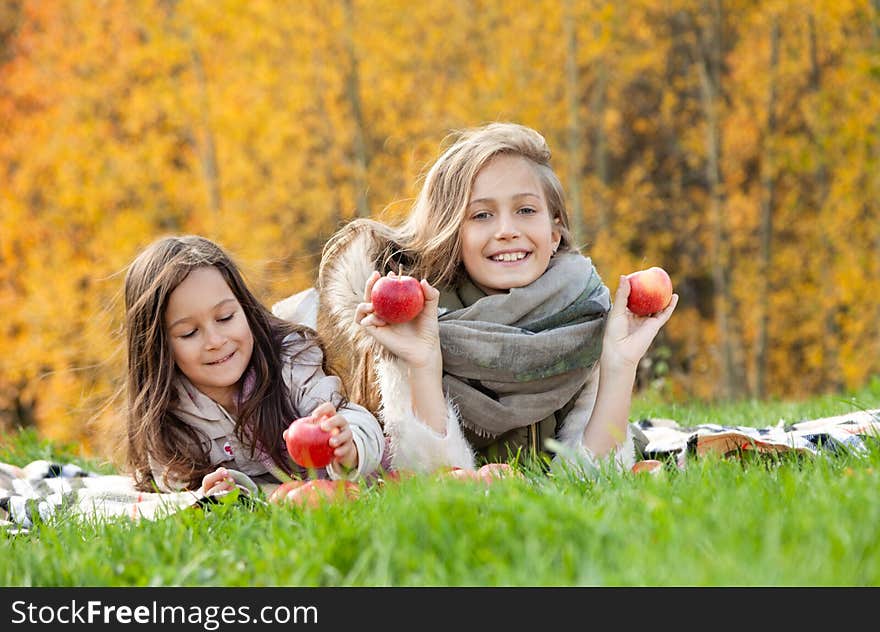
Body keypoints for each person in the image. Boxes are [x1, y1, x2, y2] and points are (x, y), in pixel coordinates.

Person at [282, 122, 677, 476]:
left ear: (554, 231)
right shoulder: (410, 317)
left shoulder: (581, 315)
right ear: (454, 233)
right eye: (481, 215)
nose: (506, 230)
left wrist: (620, 364)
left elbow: (596, 477)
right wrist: (422, 360)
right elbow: (434, 479)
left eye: (525, 209)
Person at [122, 235, 386, 497]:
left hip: (339, 489)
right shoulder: (170, 415)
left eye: (225, 317)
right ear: (159, 348)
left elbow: (354, 417)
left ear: (245, 309)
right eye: (190, 333)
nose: (215, 341)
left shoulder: (291, 363)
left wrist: (349, 443)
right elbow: (174, 486)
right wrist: (219, 491)